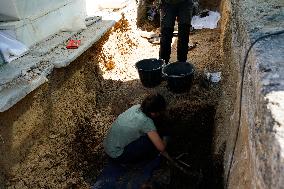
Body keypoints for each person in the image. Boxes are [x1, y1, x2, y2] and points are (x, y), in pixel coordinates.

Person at [103, 93, 169, 164]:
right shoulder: (146, 122)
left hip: (108, 147)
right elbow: (161, 148)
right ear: (153, 113)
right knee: (149, 142)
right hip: (117, 155)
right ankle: (143, 160)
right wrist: (165, 140)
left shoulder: (136, 107)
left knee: (150, 134)